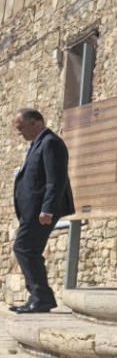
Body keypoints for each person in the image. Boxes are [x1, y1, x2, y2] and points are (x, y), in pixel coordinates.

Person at [10, 108, 75, 314]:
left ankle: (41, 297)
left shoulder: (51, 143)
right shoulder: (36, 144)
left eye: (21, 128)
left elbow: (55, 180)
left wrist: (47, 209)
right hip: (32, 210)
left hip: (41, 210)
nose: (20, 133)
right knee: (28, 249)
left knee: (24, 248)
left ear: (36, 122)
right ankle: (39, 297)